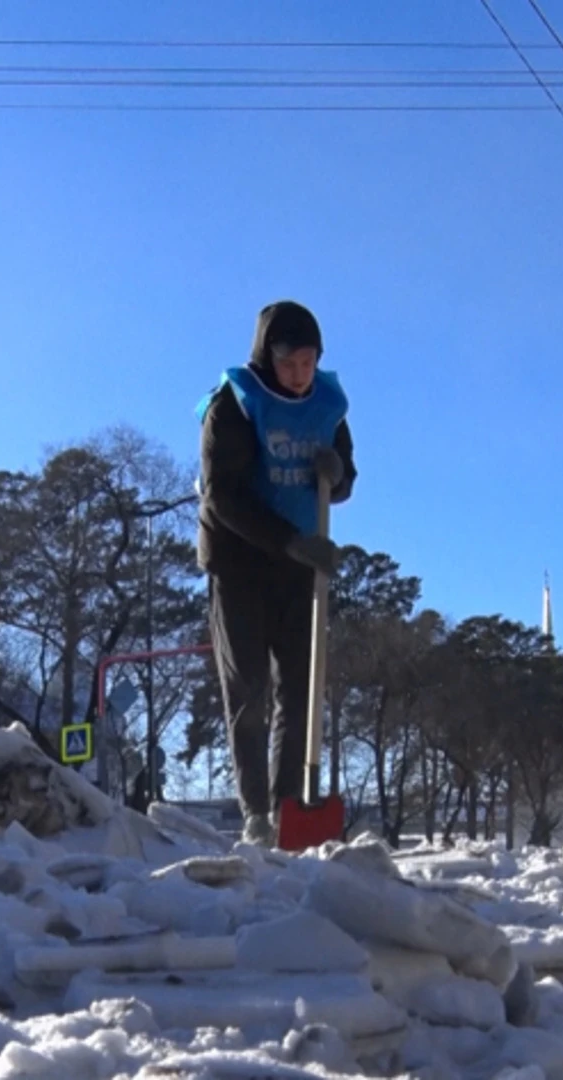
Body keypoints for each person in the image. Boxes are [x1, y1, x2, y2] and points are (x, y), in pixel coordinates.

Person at [197, 300, 355, 846]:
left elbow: (345, 472)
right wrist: (289, 543)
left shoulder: (327, 405)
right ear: (268, 357)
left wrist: (339, 472)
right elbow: (223, 499)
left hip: (300, 565)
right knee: (249, 687)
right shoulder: (232, 405)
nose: (299, 374)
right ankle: (257, 813)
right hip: (241, 562)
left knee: (301, 690)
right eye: (289, 363)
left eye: (308, 363)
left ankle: (292, 810)